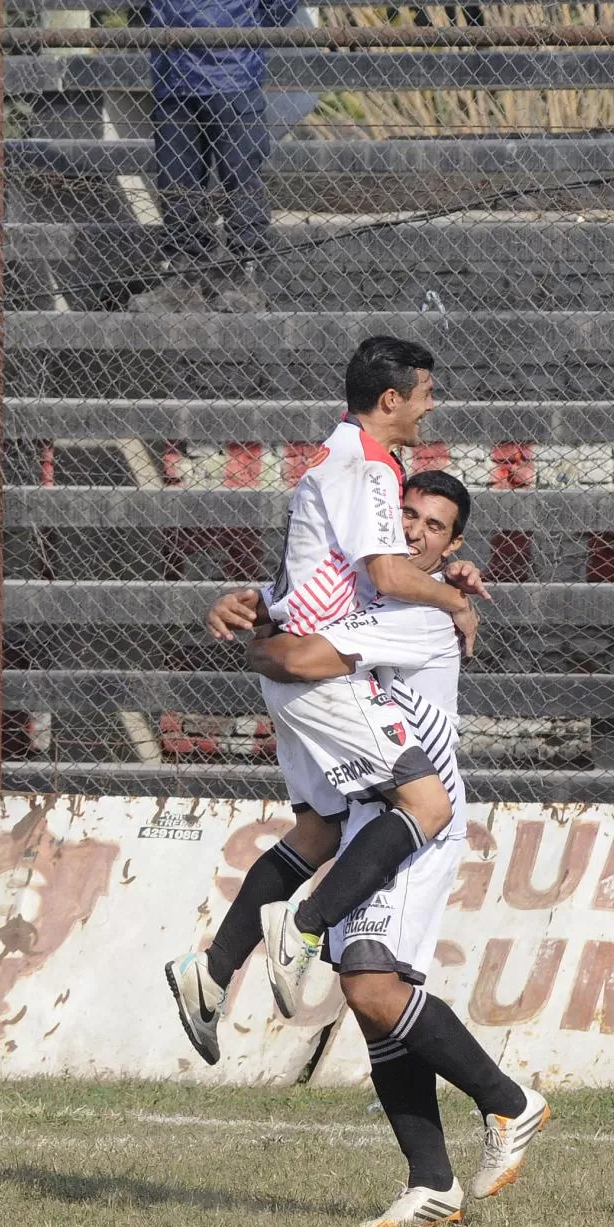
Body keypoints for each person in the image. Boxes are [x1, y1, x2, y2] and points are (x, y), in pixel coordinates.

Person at [164, 337, 485, 1061]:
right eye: (427, 392)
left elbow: (330, 572)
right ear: (392, 399)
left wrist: (264, 606)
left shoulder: (341, 459)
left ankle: (209, 976)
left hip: (298, 663)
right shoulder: (368, 467)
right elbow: (387, 576)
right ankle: (301, 927)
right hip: (323, 676)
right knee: (429, 806)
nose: (433, 405)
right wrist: (451, 601)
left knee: (318, 830)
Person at [249, 469, 550, 1227]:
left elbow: (302, 661)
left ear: (456, 542)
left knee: (372, 989)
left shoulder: (421, 618)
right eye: (407, 515)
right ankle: (432, 1185)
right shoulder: (382, 595)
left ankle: (511, 1103)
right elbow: (316, 601)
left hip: (418, 825)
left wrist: (257, 637)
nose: (416, 531)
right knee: (372, 1002)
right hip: (374, 817)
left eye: (436, 527)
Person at [129, 0, 296, 313]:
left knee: (240, 177)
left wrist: (245, 27)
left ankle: (245, 275)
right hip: (173, 76)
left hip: (234, 73)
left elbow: (279, 7)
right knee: (175, 181)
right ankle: (184, 278)